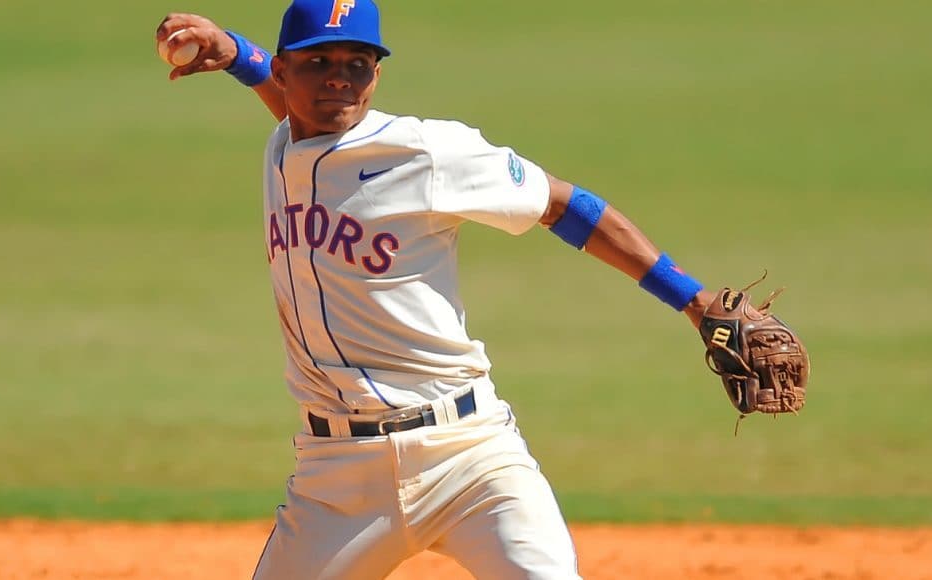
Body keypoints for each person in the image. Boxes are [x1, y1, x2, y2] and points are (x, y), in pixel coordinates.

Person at [156, 2, 717, 578]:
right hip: (336, 477)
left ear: (377, 75)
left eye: (358, 63)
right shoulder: (285, 147)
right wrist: (233, 56)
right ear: (281, 71)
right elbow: (307, 123)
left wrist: (695, 303)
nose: (339, 77)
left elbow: (564, 205)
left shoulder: (425, 152)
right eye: (318, 60)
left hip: (470, 458)